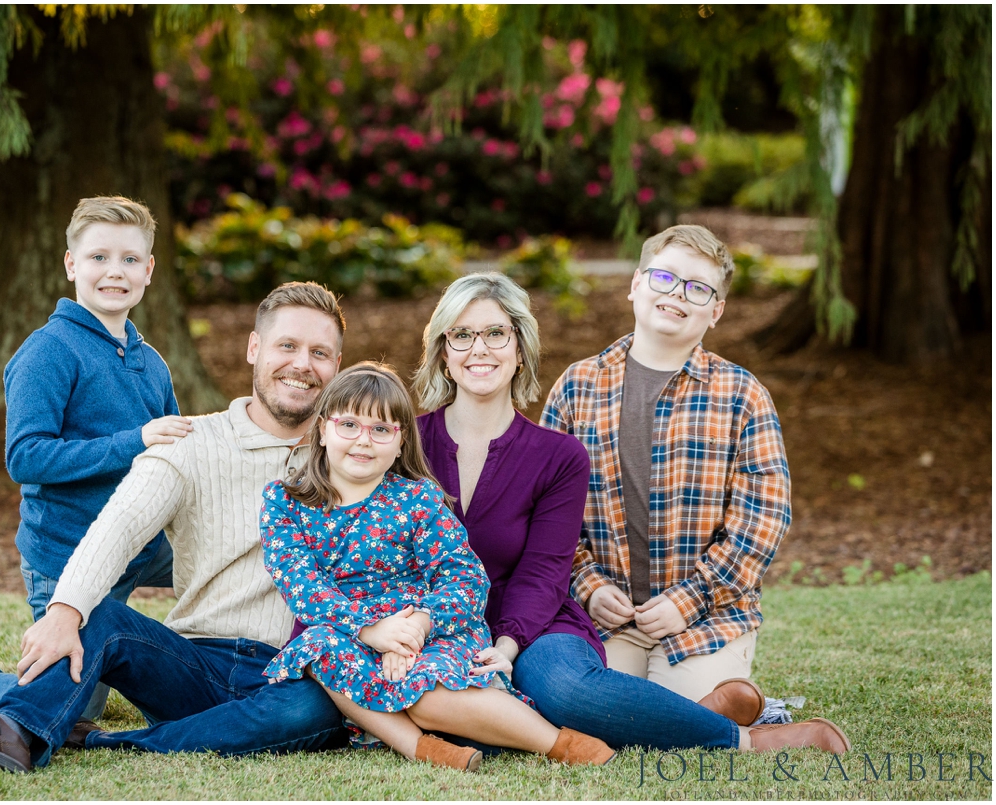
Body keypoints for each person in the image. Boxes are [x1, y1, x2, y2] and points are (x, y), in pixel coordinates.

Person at [0, 282, 350, 773]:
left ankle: (106, 743)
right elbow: (120, 526)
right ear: (254, 349)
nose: (303, 364)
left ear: (337, 367)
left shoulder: (353, 454)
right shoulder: (190, 442)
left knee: (319, 708)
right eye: (288, 346)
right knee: (101, 619)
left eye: (319, 353)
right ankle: (9, 734)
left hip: (295, 672)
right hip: (191, 664)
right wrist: (64, 612)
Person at [412, 272, 849, 754]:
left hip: (532, 622)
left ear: (520, 349)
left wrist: (508, 647)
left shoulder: (558, 456)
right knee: (454, 716)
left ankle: (750, 740)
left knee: (564, 691)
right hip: (437, 624)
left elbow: (543, 571)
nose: (480, 349)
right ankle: (696, 717)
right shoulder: (404, 447)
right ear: (443, 353)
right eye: (462, 335)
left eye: (496, 333)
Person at [0, 196, 193, 722]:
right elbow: (26, 457)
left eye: (131, 260)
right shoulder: (49, 351)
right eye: (99, 257)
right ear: (70, 264)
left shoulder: (151, 363)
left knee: (235, 556)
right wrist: (137, 439)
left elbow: (174, 453)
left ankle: (230, 666)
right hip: (67, 554)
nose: (115, 271)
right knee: (73, 712)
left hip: (140, 545)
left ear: (149, 270)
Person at [260, 362, 617, 771]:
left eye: (381, 430)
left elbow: (463, 575)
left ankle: (561, 745)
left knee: (427, 697)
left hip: (431, 628)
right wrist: (374, 632)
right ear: (323, 429)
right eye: (349, 425)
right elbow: (302, 585)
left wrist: (415, 631)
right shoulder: (286, 502)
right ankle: (423, 749)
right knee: (317, 649)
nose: (363, 441)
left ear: (400, 443)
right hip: (349, 632)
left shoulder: (417, 499)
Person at [542, 224, 790, 702]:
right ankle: (712, 708)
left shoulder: (741, 395)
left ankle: (722, 700)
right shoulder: (577, 387)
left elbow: (763, 518)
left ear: (716, 310)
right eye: (664, 278)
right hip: (611, 616)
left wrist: (691, 598)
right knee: (587, 701)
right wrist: (587, 584)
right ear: (636, 283)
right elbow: (547, 509)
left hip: (707, 616)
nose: (677, 294)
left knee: (683, 705)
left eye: (698, 288)